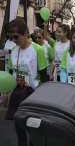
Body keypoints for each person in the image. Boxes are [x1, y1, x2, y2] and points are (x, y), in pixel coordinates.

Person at [2, 18, 48, 146]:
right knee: (19, 125)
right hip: (18, 93)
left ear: (26, 33)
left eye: (16, 36)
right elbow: (11, 73)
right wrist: (6, 93)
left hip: (34, 94)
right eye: (11, 37)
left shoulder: (37, 50)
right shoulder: (14, 51)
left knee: (33, 126)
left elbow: (44, 76)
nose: (14, 40)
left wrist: (44, 97)